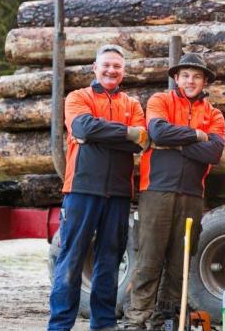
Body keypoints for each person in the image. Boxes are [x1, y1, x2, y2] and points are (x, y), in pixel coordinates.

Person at [48, 44, 148, 331]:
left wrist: (105, 134)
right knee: (71, 257)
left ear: (123, 72)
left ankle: (103, 323)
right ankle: (59, 325)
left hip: (118, 192)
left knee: (110, 258)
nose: (111, 70)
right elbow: (82, 128)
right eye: (106, 65)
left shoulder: (132, 104)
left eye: (117, 66)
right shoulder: (78, 97)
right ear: (95, 67)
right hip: (81, 189)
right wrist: (124, 132)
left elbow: (140, 140)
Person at [123, 52, 225, 330]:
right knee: (149, 259)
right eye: (185, 75)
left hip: (192, 195)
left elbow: (214, 152)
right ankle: (136, 319)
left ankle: (164, 320)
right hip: (157, 190)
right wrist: (196, 135)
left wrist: (177, 142)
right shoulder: (160, 101)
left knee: (180, 263)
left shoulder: (213, 114)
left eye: (196, 76)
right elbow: (157, 133)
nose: (190, 80)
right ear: (177, 78)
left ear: (204, 81)